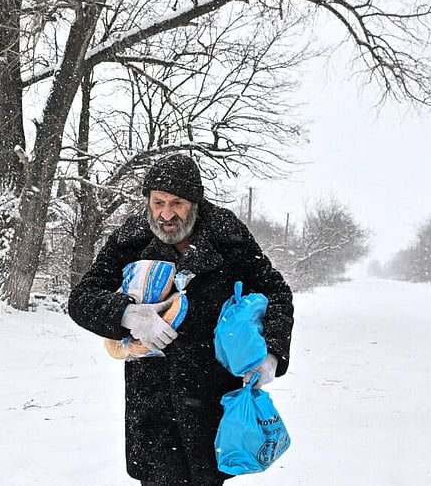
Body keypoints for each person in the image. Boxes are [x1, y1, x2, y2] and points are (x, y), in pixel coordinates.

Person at [67, 153, 294, 485]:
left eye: (177, 203)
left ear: (196, 203)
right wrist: (127, 314)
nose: (166, 213)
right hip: (152, 400)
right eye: (158, 202)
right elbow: (82, 298)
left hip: (211, 395)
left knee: (207, 476)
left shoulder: (228, 237)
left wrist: (272, 354)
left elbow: (276, 291)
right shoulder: (131, 238)